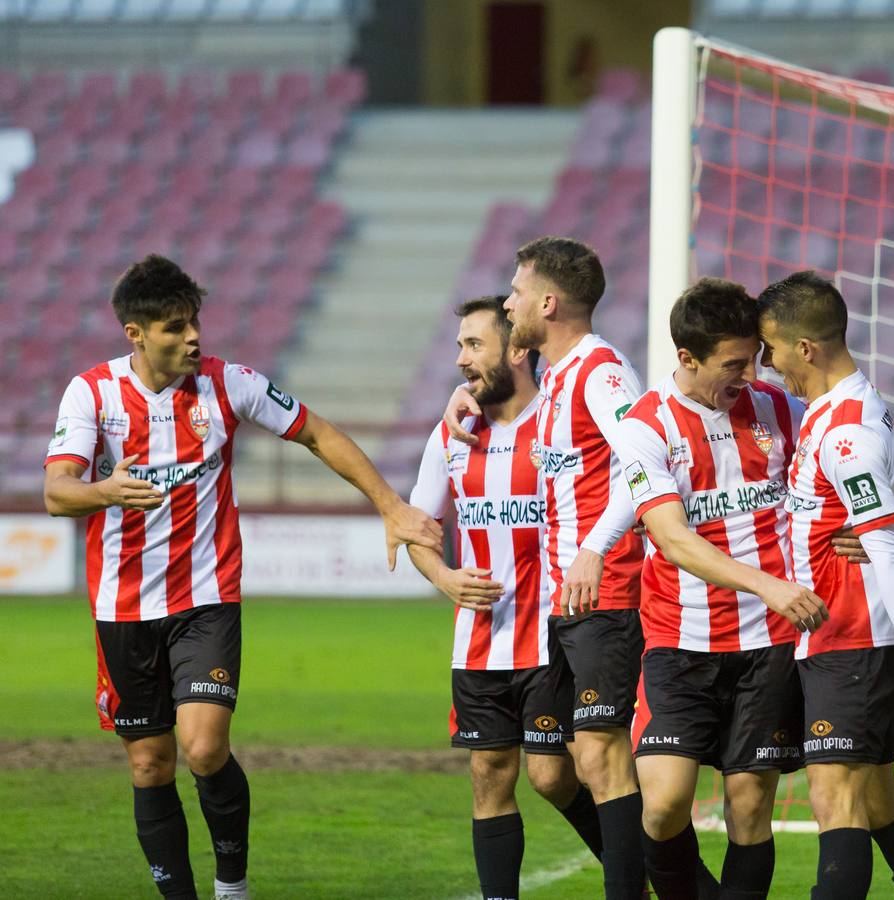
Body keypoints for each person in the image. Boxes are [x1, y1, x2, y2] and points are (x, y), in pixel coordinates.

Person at [41, 255, 443, 900]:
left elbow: (316, 432)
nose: (193, 337)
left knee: (202, 748)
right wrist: (106, 489)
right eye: (175, 327)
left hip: (206, 597)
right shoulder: (90, 393)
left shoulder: (230, 383)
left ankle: (232, 886)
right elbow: (58, 494)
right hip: (121, 605)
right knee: (149, 762)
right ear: (136, 334)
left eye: (195, 322)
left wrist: (390, 505)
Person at [585, 278, 863, 899]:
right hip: (679, 639)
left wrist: (861, 525)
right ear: (687, 358)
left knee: (749, 804)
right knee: (661, 802)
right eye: (733, 364)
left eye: (755, 359)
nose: (749, 374)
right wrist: (769, 584)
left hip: (769, 642)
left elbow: (855, 456)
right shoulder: (644, 425)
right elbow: (673, 538)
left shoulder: (778, 408)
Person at [756, 271, 894, 900]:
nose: (767, 365)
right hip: (831, 638)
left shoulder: (846, 430)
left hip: (851, 638)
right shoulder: (839, 409)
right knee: (878, 800)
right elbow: (890, 493)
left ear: (806, 349)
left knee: (836, 801)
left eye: (771, 349)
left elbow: (883, 547)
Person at [444, 237, 650, 899]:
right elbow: (503, 389)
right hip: (563, 605)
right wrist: (464, 393)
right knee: (552, 774)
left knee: (597, 755)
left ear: (549, 302)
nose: (509, 301)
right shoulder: (555, 377)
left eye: (517, 290)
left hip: (606, 589)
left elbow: (642, 461)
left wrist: (596, 544)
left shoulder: (601, 372)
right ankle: (680, 885)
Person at [407, 296, 608, 899]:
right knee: (489, 772)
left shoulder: (562, 421)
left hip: (551, 635)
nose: (461, 359)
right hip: (479, 642)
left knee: (552, 776)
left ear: (517, 349)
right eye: (460, 345)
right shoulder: (452, 432)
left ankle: (639, 872)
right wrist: (442, 577)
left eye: (474, 345)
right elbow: (419, 528)